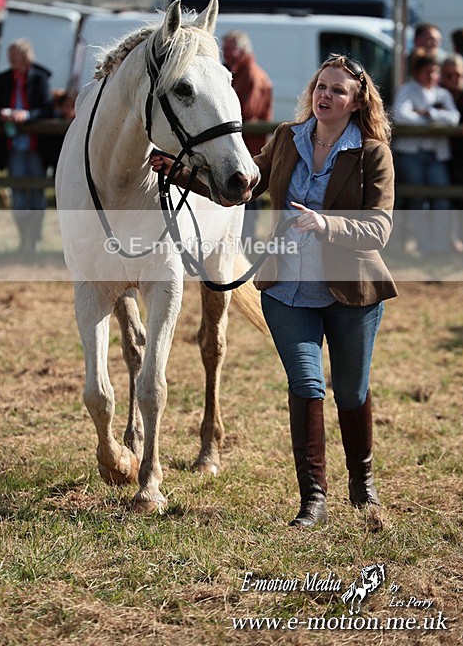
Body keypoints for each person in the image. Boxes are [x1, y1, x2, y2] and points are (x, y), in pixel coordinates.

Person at [151, 53, 397, 527]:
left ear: (356, 102)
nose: (325, 95)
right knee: (306, 387)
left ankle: (362, 487)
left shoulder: (371, 153)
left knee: (350, 392)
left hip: (352, 293)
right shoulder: (287, 138)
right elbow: (245, 184)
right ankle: (313, 500)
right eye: (321, 86)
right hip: (287, 290)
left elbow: (380, 229)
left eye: (337, 91)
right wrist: (180, 173)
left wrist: (325, 224)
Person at [0, 39, 53, 253]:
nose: (11, 59)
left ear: (25, 57)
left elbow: (46, 109)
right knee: (18, 195)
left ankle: (34, 239)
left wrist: (27, 115)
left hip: (35, 147)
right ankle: (23, 238)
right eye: (10, 55)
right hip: (13, 145)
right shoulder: (3, 79)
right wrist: (2, 113)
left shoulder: (40, 79)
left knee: (36, 194)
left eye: (14, 55)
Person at [392, 49, 461, 254]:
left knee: (441, 198)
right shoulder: (407, 89)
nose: (431, 76)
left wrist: (427, 113)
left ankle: (439, 246)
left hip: (435, 155)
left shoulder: (442, 93)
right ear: (417, 72)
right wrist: (435, 119)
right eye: (427, 71)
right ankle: (424, 245)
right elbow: (401, 115)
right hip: (411, 154)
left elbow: (454, 118)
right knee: (417, 199)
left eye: (435, 72)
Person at [222, 30, 273, 243]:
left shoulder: (251, 76)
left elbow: (246, 113)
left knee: (247, 199)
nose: (224, 53)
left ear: (241, 49)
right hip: (244, 151)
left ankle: (246, 243)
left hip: (248, 152)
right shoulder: (242, 73)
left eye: (229, 48)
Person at [440, 53, 463, 246]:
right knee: (447, 199)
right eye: (448, 75)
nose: (454, 79)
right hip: (444, 155)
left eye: (457, 75)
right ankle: (450, 240)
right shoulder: (437, 94)